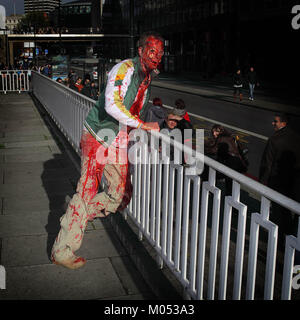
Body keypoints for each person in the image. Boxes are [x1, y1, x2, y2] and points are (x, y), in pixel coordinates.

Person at [51, 31, 164, 269]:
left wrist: (133, 132)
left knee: (120, 196)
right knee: (87, 190)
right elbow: (113, 105)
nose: (157, 56)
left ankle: (74, 216)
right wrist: (143, 126)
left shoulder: (147, 76)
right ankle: (62, 249)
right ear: (141, 50)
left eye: (161, 52)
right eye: (152, 51)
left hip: (117, 140)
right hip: (97, 135)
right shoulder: (124, 69)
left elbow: (134, 109)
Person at [259, 114, 300, 243]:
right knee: (290, 210)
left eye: (275, 121)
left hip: (277, 181)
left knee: (278, 210)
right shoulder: (296, 136)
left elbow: (268, 164)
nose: (272, 123)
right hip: (293, 180)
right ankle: (291, 235)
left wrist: (263, 182)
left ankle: (278, 239)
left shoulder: (274, 140)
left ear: (284, 123)